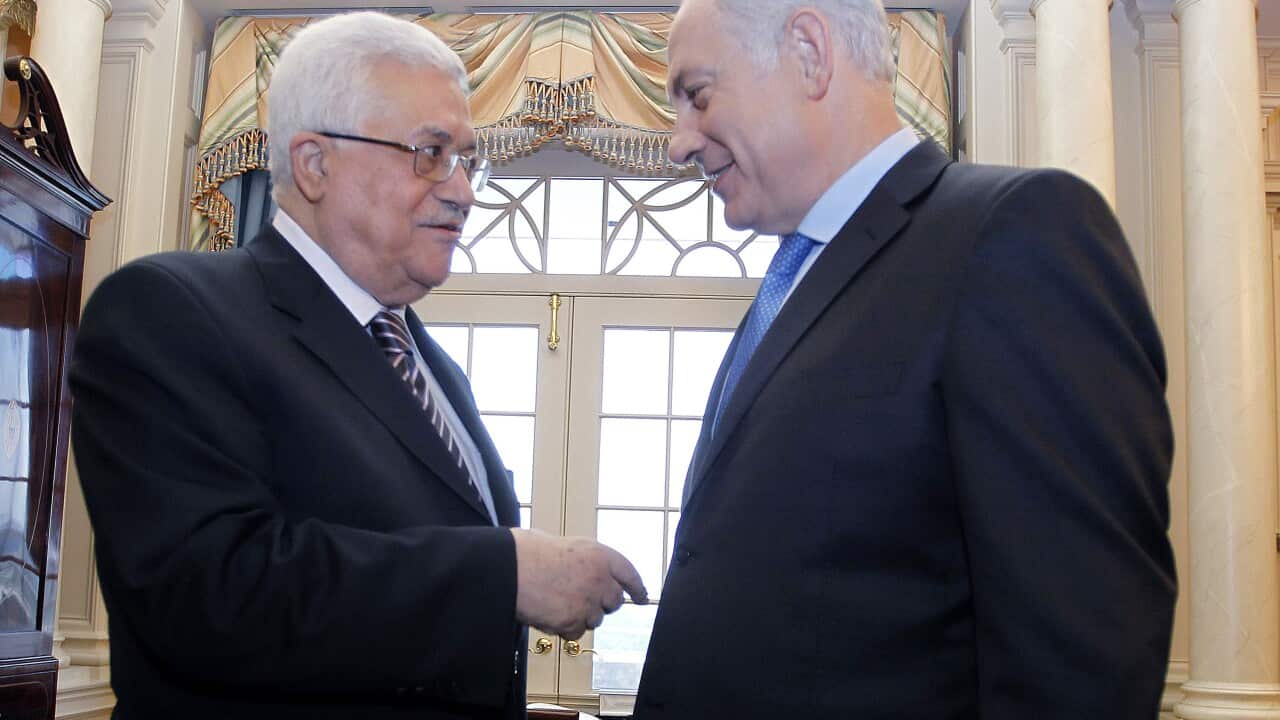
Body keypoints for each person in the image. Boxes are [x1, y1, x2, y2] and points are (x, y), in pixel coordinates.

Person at [69, 12, 645, 720]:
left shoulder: (431, 365)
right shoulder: (169, 311)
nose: (465, 191)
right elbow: (208, 594)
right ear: (315, 164)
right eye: (430, 152)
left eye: (467, 159)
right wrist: (506, 574)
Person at [633, 0, 1176, 717]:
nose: (678, 144)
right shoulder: (790, 286)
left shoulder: (1013, 234)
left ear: (809, 51)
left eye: (697, 95)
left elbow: (1082, 660)